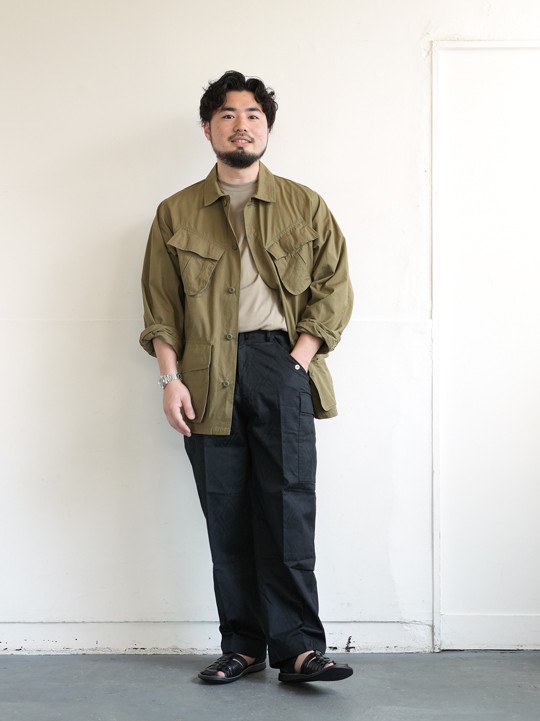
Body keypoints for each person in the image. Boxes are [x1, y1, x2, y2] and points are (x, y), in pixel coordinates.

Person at [140, 71, 354, 684]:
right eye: (228, 115)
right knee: (226, 513)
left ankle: (299, 650)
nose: (242, 125)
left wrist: (298, 360)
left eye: (253, 115)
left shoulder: (304, 205)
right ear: (208, 128)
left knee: (288, 510)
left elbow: (334, 288)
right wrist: (170, 381)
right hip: (204, 376)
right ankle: (242, 645)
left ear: (267, 128)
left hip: (280, 365)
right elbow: (160, 306)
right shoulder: (176, 212)